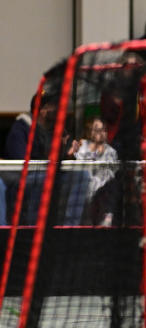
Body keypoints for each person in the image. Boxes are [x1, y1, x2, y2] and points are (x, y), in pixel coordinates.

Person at [4, 89, 89, 226]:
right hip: (23, 179)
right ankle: (33, 227)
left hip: (52, 175)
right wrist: (52, 154)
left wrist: (69, 153)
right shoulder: (21, 129)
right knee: (43, 177)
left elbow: (65, 158)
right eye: (53, 105)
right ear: (42, 110)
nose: (58, 109)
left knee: (82, 175)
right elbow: (21, 164)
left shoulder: (58, 129)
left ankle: (70, 226)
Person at [74, 117, 118, 226]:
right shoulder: (82, 148)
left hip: (103, 195)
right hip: (84, 192)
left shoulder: (111, 151)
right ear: (89, 133)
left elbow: (112, 174)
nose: (102, 133)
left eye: (104, 130)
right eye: (98, 130)